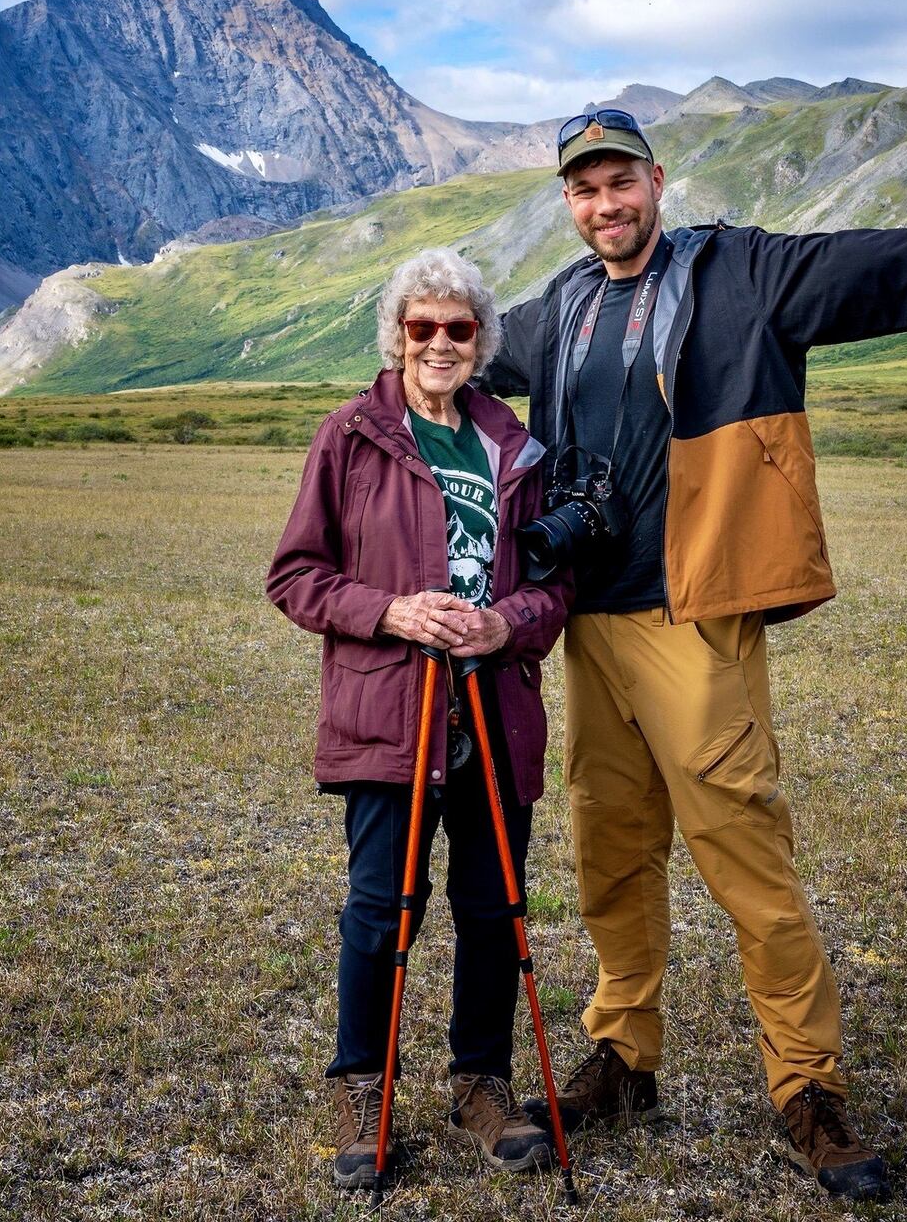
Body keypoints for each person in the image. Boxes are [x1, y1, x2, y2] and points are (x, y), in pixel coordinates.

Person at [480, 107, 907, 1201]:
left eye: (620, 183)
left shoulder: (743, 274)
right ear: (568, 202)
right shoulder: (554, 311)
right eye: (584, 190)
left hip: (693, 614)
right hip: (584, 621)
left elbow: (886, 272)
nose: (605, 205)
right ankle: (624, 1057)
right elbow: (452, 339)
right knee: (608, 853)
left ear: (657, 180)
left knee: (745, 858)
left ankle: (807, 1088)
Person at [266, 248, 573, 1190]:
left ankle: (481, 1083)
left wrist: (504, 623)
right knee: (381, 908)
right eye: (421, 327)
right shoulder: (350, 435)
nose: (439, 343)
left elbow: (554, 588)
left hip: (492, 708)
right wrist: (391, 611)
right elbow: (296, 575)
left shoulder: (513, 443)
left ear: (481, 342)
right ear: (396, 335)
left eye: (459, 329)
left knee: (492, 907)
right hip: (390, 712)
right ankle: (363, 1087)